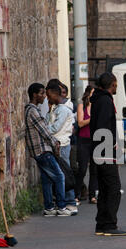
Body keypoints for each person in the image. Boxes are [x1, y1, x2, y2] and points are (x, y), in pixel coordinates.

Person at [90, 72, 126, 236]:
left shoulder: (98, 100)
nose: (117, 88)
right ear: (111, 85)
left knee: (105, 189)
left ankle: (101, 223)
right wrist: (112, 147)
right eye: (115, 85)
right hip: (105, 151)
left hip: (98, 150)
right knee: (114, 188)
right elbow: (104, 126)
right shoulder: (106, 101)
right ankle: (109, 224)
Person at [24, 83, 73, 217]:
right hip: (42, 150)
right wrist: (55, 144)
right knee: (59, 176)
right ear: (34, 95)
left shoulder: (34, 110)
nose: (44, 97)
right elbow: (44, 131)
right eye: (41, 93)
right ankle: (61, 206)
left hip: (39, 151)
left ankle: (49, 207)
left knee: (47, 179)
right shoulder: (32, 111)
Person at [45, 81, 78, 215]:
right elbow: (48, 121)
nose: (48, 98)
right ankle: (62, 201)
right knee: (59, 175)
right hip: (55, 144)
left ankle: (71, 202)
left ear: (54, 94)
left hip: (63, 144)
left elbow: (54, 127)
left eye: (49, 95)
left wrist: (44, 130)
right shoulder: (55, 109)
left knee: (65, 173)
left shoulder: (64, 110)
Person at [75, 85, 98, 204]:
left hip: (95, 140)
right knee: (82, 169)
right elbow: (80, 123)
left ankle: (92, 195)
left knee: (94, 169)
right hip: (83, 140)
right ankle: (76, 195)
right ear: (88, 94)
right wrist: (93, 118)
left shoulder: (97, 106)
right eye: (92, 93)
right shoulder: (82, 105)